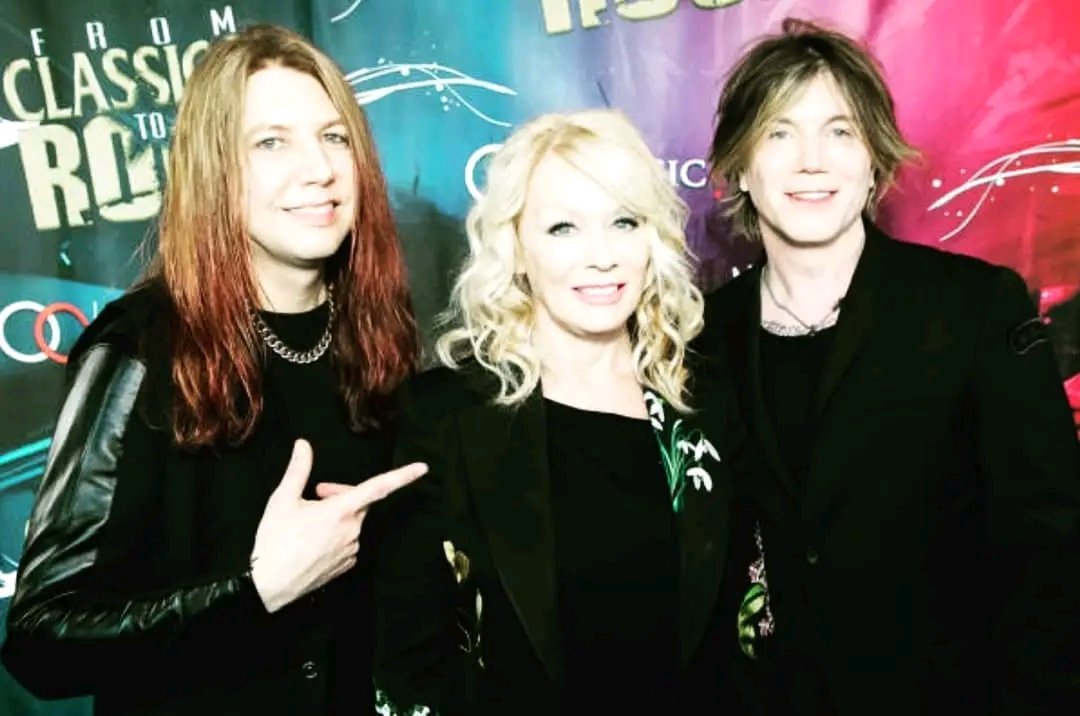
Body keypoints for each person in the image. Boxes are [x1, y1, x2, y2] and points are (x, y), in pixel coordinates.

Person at [1, 24, 426, 716]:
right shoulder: (139, 352)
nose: (318, 168)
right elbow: (43, 640)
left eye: (334, 136)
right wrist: (257, 590)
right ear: (214, 170)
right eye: (271, 142)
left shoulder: (373, 330)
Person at [698, 17, 1080, 716]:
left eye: (840, 132)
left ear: (874, 159)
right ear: (739, 168)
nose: (811, 160)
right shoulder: (701, 337)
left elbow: (1051, 551)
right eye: (780, 133)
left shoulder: (970, 308)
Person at [367, 109, 758, 715]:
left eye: (623, 222)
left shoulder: (703, 398)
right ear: (515, 248)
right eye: (563, 229)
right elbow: (408, 662)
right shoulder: (446, 418)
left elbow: (747, 633)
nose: (601, 256)